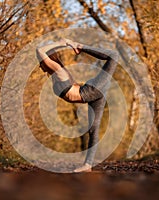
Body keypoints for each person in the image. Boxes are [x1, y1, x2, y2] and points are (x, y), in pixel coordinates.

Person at [36, 38, 118, 172]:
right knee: (93, 129)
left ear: (48, 60)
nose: (40, 66)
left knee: (114, 56)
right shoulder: (55, 74)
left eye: (40, 63)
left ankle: (81, 46)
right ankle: (88, 165)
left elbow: (39, 50)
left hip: (92, 90)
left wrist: (63, 43)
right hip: (91, 92)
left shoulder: (58, 69)